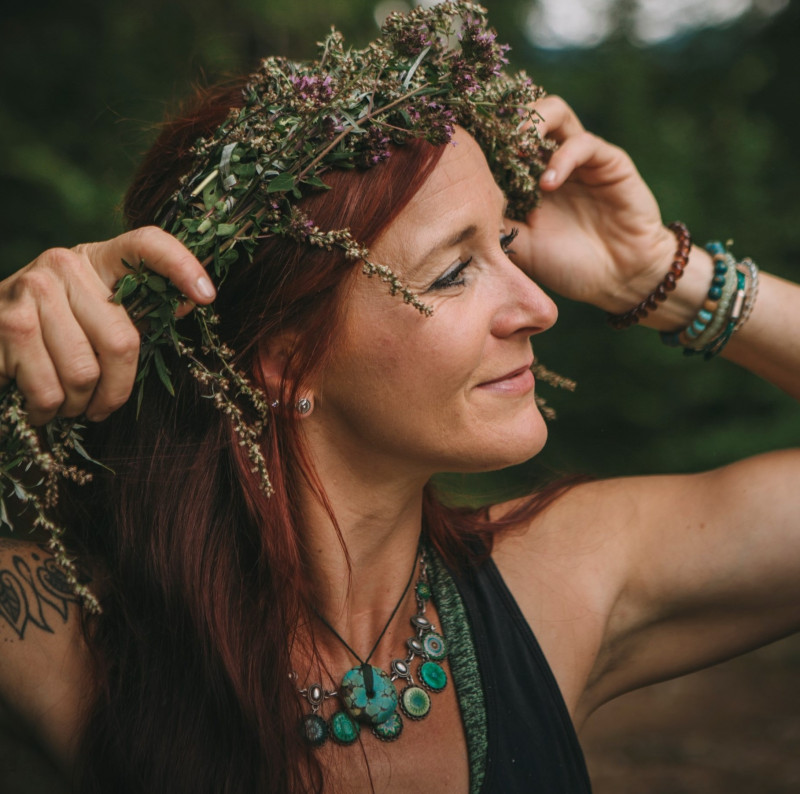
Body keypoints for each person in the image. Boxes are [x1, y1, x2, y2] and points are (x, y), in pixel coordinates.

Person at [0, 3, 798, 792]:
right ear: (285, 362)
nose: (541, 307)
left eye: (509, 244)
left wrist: (659, 275)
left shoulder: (562, 582)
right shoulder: (69, 636)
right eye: (454, 272)